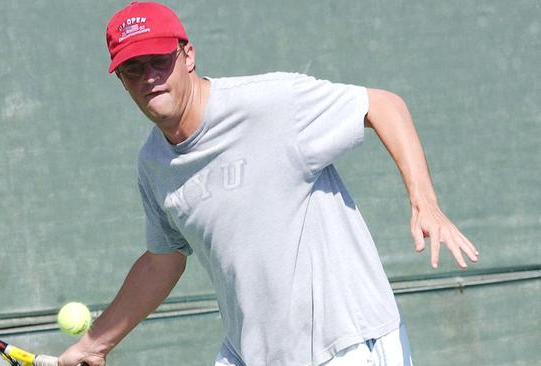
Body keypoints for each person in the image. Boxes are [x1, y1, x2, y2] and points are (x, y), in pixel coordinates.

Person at [58, 2, 479, 365]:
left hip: (349, 346)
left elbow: (382, 105)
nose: (149, 77)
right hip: (251, 352)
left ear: (187, 56)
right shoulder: (154, 164)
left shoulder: (272, 104)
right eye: (133, 69)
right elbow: (162, 261)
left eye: (159, 61)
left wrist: (425, 202)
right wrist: (95, 343)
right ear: (121, 80)